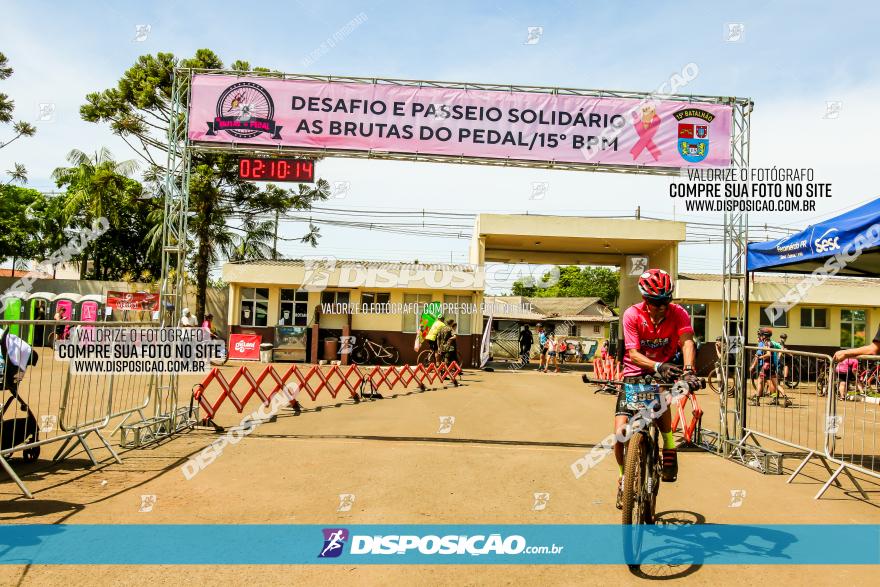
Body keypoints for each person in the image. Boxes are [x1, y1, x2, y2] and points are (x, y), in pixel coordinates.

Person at [614, 269, 699, 509]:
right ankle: (623, 478)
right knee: (620, 435)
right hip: (636, 370)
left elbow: (687, 341)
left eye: (665, 302)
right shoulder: (632, 314)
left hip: (667, 367)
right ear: (645, 299)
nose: (661, 307)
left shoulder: (678, 313)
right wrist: (657, 366)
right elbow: (632, 353)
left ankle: (669, 446)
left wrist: (689, 369)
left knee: (662, 398)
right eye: (655, 303)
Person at [749, 328, 791, 407]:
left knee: (760, 382)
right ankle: (786, 399)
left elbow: (768, 354)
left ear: (764, 336)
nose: (760, 336)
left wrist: (761, 357)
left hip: (766, 366)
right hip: (771, 366)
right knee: (776, 384)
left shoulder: (767, 343)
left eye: (761, 335)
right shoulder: (771, 342)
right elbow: (780, 349)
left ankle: (757, 401)